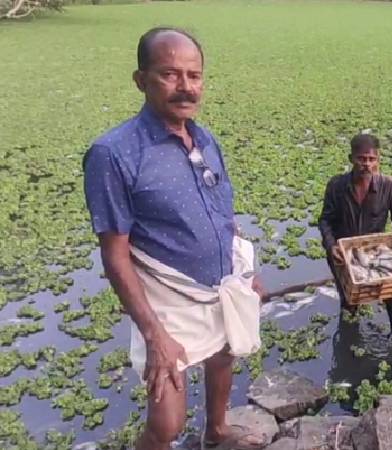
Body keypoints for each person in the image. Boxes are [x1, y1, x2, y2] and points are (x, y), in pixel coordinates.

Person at [82, 27, 269, 450]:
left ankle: (217, 432)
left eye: (194, 75)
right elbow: (115, 255)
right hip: (168, 300)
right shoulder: (114, 154)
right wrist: (153, 333)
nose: (186, 87)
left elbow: (223, 216)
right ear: (140, 79)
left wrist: (245, 274)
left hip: (221, 285)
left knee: (225, 356)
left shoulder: (204, 138)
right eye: (170, 74)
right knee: (166, 423)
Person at [318, 134, 392, 344]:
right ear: (351, 158)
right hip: (344, 256)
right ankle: (350, 339)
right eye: (362, 159)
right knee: (350, 298)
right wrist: (331, 245)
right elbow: (325, 220)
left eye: (372, 159)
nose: (367, 164)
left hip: (377, 252)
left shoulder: (388, 187)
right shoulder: (336, 186)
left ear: (378, 160)